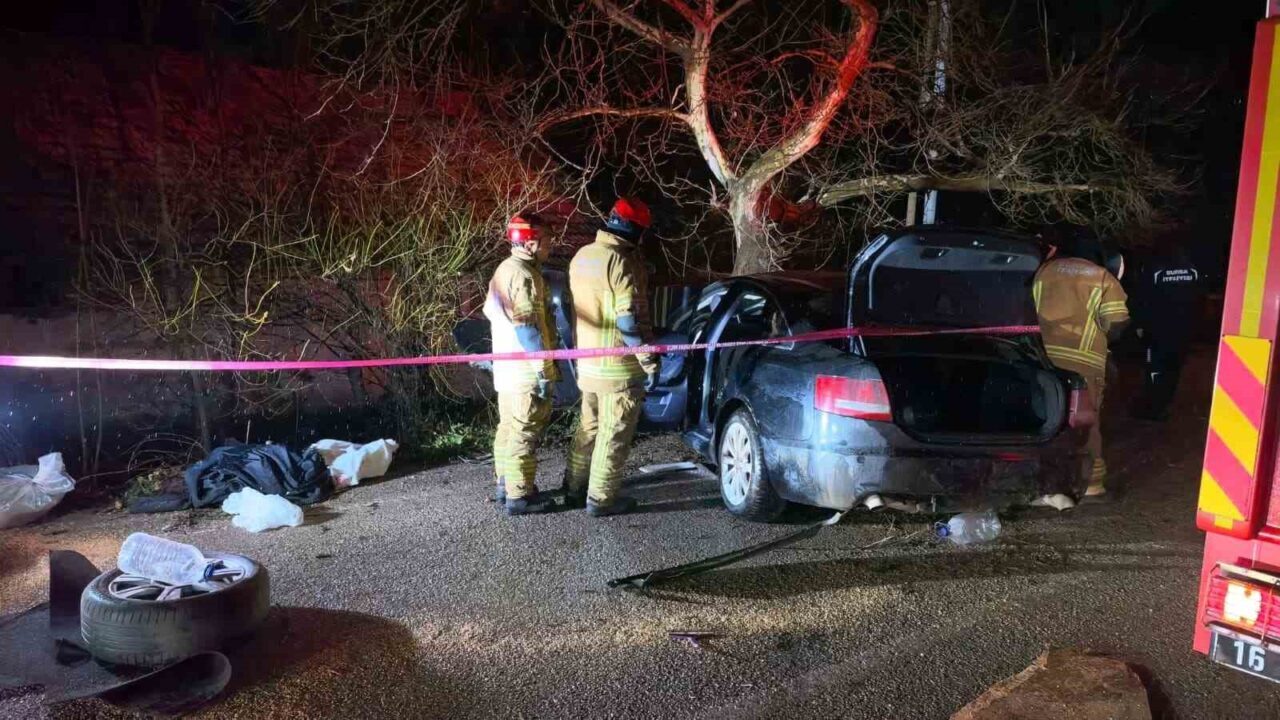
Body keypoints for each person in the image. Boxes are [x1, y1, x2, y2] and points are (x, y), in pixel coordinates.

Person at [564, 197, 659, 516]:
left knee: (588, 429)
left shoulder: (582, 256)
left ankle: (574, 487)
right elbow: (628, 321)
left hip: (588, 365)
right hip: (619, 369)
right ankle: (601, 499)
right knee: (613, 434)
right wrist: (648, 361)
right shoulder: (622, 262)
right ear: (636, 230)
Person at [1033, 229, 1130, 499]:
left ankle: (1044, 484)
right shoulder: (1101, 277)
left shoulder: (1042, 272)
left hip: (1040, 359)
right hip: (1084, 361)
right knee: (1086, 421)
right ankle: (1091, 485)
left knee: (1045, 418)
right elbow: (1117, 323)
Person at [483, 213, 560, 515]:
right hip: (525, 371)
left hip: (506, 369)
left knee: (508, 429)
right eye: (547, 240)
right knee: (524, 432)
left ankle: (506, 484)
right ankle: (519, 495)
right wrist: (543, 369)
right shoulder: (525, 276)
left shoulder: (503, 270)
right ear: (530, 243)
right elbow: (527, 328)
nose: (550, 246)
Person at [1129, 244, 1203, 421]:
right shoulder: (1192, 271)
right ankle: (1164, 405)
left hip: (1157, 330)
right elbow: (1199, 300)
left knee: (1155, 368)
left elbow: (1143, 299)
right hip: (1182, 330)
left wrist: (1140, 325)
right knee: (1174, 369)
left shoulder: (1156, 271)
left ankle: (1152, 406)